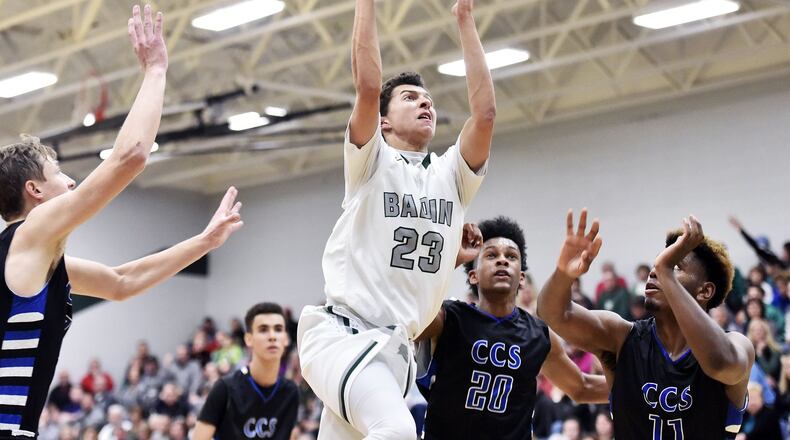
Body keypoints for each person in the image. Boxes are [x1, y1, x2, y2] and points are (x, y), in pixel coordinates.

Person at [0, 5, 243, 437]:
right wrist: (155, 71)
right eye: (59, 173)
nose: (72, 181)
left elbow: (121, 282)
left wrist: (204, 242)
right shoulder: (29, 235)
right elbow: (129, 157)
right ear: (33, 190)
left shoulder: (36, 262)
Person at [296, 0, 496, 437]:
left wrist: (465, 20)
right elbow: (368, 87)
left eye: (429, 100)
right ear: (384, 122)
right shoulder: (372, 160)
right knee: (399, 431)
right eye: (410, 98)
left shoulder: (451, 176)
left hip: (394, 350)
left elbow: (484, 115)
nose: (425, 103)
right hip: (343, 335)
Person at [537, 210, 754, 439]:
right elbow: (554, 314)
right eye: (658, 263)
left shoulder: (736, 345)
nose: (655, 270)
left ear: (705, 291)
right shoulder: (621, 337)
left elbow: (720, 364)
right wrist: (563, 274)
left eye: (675, 266)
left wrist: (665, 273)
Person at [415, 217, 608, 440]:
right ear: (473, 275)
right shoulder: (449, 318)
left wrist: (635, 383)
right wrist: (453, 258)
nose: (502, 260)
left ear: (522, 278)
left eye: (511, 256)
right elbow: (410, 318)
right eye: (491, 255)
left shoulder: (538, 334)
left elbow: (582, 387)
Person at [194, 303, 299, 440]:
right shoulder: (225, 388)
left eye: (278, 329)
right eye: (263, 330)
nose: (272, 336)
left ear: (286, 339)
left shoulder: (291, 392)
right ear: (248, 339)